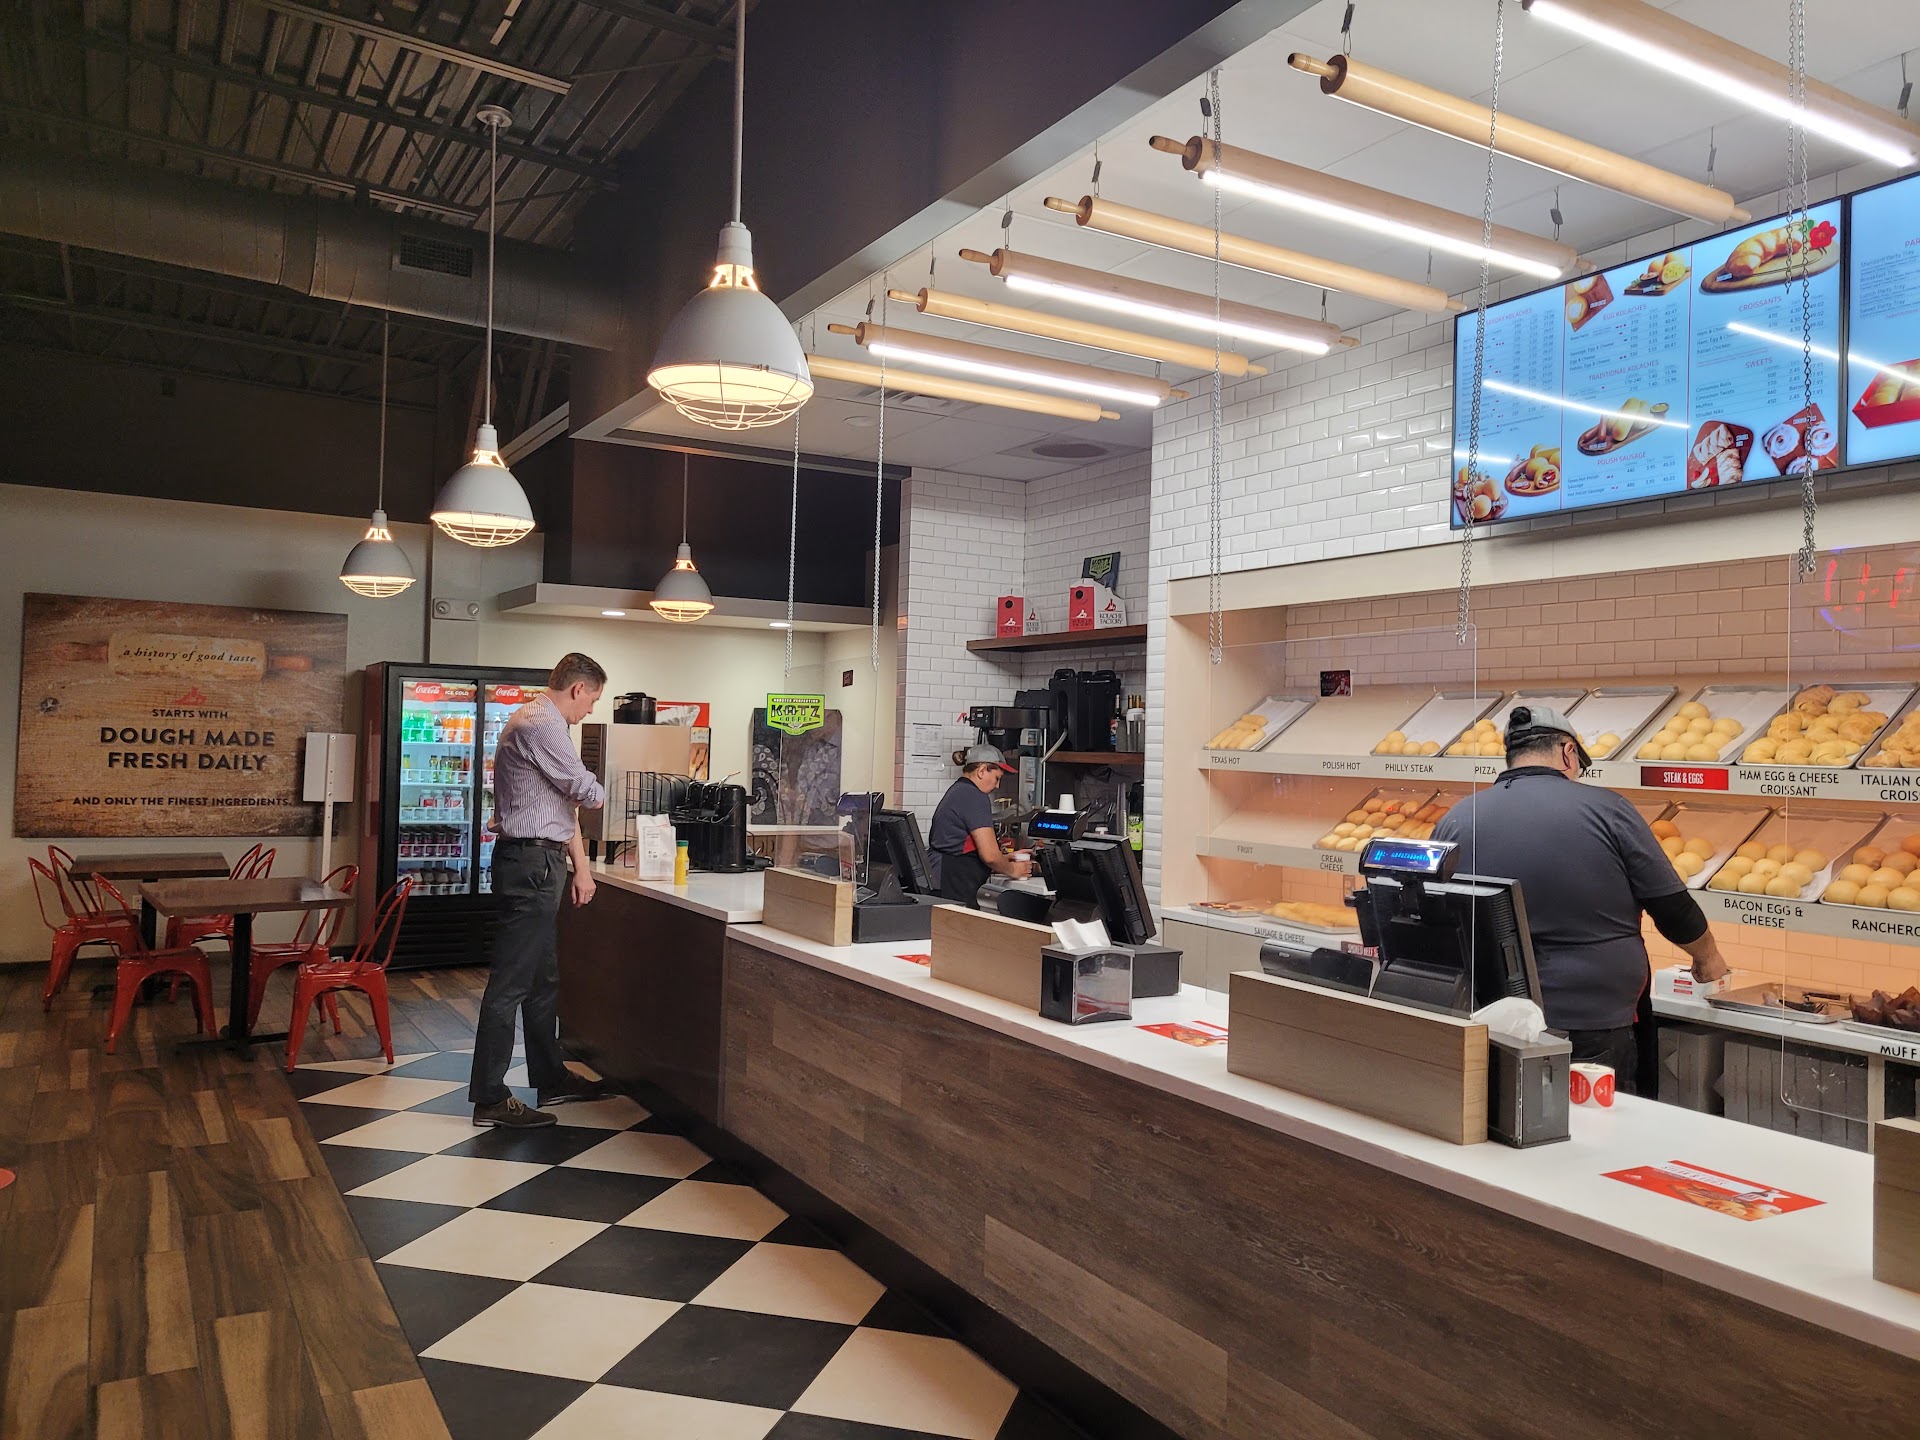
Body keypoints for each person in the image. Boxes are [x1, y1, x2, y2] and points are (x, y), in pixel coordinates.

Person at [1431, 704, 1729, 1092]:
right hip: (1593, 1021)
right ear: (1568, 752)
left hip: (1493, 1015)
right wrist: (1707, 959)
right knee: (1594, 1120)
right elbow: (1672, 908)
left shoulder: (1456, 817)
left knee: (1508, 1113)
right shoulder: (1608, 810)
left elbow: (1435, 910)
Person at [468, 652, 609, 1128]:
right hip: (531, 866)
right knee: (510, 983)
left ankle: (550, 1077)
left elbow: (562, 808)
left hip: (539, 861)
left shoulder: (541, 720)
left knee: (543, 979)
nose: (590, 709)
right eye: (592, 700)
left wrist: (581, 867)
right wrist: (599, 788)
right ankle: (489, 1097)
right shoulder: (543, 724)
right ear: (577, 688)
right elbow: (585, 792)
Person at [929, 745, 1034, 906]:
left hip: (940, 876)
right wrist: (1014, 870)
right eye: (997, 778)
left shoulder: (958, 790)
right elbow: (990, 856)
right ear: (982, 771)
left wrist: (1004, 860)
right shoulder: (975, 796)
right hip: (954, 881)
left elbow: (962, 845)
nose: (997, 786)